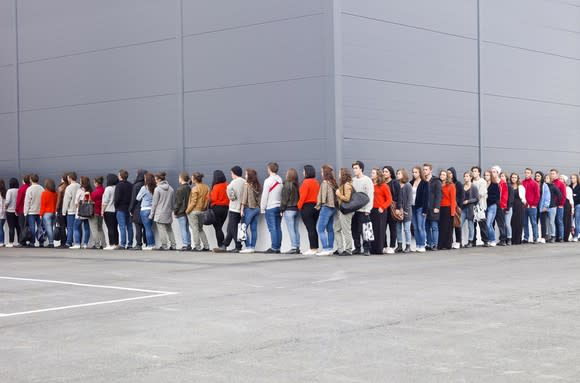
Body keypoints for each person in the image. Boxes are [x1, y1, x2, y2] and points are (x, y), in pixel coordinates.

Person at [351, 161, 374, 256]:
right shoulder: (352, 180)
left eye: (356, 168)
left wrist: (368, 209)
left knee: (366, 230)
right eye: (353, 168)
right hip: (354, 210)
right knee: (354, 229)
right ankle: (357, 248)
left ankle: (367, 249)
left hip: (364, 210)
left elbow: (370, 196)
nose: (354, 170)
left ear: (361, 169)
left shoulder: (367, 180)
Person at [221, 166, 245, 253]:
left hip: (234, 208)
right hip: (242, 208)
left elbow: (232, 197)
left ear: (234, 173)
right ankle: (225, 244)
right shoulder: (245, 182)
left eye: (231, 173)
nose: (231, 175)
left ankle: (238, 246)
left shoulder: (232, 183)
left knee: (233, 227)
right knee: (231, 227)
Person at [315, 165, 338, 256]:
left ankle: (325, 249)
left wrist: (319, 204)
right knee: (330, 229)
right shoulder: (333, 182)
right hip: (333, 208)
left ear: (325, 173)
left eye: (321, 172)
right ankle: (330, 248)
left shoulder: (325, 183)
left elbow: (323, 197)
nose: (321, 174)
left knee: (320, 229)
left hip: (326, 207)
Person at [149, 172, 176, 250]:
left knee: (161, 230)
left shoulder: (157, 189)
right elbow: (172, 202)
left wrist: (151, 214)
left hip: (159, 213)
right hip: (168, 213)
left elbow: (154, 203)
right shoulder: (171, 189)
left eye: (156, 180)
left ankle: (164, 246)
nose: (155, 181)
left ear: (159, 180)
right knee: (169, 229)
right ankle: (173, 245)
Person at [261, 162, 283, 254]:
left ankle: (274, 247)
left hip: (270, 207)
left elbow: (265, 196)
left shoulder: (268, 181)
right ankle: (278, 247)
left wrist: (262, 208)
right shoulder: (280, 180)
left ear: (269, 169)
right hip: (279, 206)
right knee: (278, 227)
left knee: (272, 228)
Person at [298, 165, 320, 255]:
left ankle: (313, 248)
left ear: (307, 172)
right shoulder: (316, 182)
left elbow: (303, 196)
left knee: (310, 228)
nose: (303, 173)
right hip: (316, 207)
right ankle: (315, 248)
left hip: (307, 207)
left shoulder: (305, 182)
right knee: (313, 228)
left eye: (304, 171)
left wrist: (299, 206)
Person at [186, 172, 210, 252]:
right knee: (200, 229)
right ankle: (206, 246)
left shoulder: (195, 188)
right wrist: (204, 208)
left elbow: (193, 202)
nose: (191, 179)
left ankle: (197, 246)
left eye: (192, 178)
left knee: (195, 229)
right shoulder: (206, 187)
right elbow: (207, 199)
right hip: (202, 211)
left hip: (194, 211)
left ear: (195, 179)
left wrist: (187, 211)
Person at [371, 168, 392, 254]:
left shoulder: (384, 185)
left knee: (380, 230)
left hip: (380, 211)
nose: (371, 174)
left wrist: (382, 207)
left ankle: (379, 249)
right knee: (372, 230)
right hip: (371, 210)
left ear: (377, 175)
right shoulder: (370, 185)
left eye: (373, 173)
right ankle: (372, 249)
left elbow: (389, 199)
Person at [240, 169, 261, 253]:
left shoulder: (247, 185)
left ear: (249, 176)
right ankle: (252, 247)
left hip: (249, 209)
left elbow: (244, 198)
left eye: (246, 174)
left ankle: (248, 247)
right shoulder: (257, 185)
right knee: (254, 229)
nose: (245, 176)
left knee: (243, 228)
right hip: (256, 209)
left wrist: (241, 209)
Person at [280, 168, 301, 254]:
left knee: (291, 229)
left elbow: (284, 199)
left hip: (289, 210)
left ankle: (293, 247)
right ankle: (297, 247)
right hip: (297, 209)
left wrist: (281, 209)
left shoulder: (287, 185)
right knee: (296, 229)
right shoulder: (297, 185)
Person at [335, 168, 354, 256]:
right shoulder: (343, 185)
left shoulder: (347, 185)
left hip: (346, 211)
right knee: (337, 229)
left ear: (343, 175)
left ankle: (348, 250)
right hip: (342, 210)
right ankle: (340, 249)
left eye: (339, 173)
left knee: (346, 230)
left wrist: (338, 194)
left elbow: (347, 198)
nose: (338, 175)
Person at [209, 170, 229, 252]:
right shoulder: (227, 185)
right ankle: (223, 245)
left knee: (218, 228)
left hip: (216, 208)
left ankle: (221, 245)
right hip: (225, 209)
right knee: (219, 227)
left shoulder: (216, 186)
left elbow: (212, 198)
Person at [114, 169, 133, 249]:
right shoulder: (131, 185)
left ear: (120, 176)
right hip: (129, 209)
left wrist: (116, 206)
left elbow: (117, 198)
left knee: (122, 226)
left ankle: (122, 244)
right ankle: (130, 244)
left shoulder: (119, 185)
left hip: (120, 208)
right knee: (129, 227)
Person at [424, 163, 441, 251]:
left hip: (434, 207)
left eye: (426, 169)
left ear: (431, 170)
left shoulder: (436, 181)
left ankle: (435, 244)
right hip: (425, 208)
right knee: (426, 227)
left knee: (434, 227)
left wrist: (437, 207)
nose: (424, 171)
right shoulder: (423, 181)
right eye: (424, 169)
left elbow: (439, 195)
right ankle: (429, 244)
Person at [411, 166, 429, 253]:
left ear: (420, 173)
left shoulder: (425, 183)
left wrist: (425, 210)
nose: (414, 174)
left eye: (416, 172)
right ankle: (418, 244)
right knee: (415, 227)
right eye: (413, 172)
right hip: (412, 207)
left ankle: (422, 245)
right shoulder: (411, 182)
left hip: (420, 207)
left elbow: (426, 198)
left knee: (420, 227)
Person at [71, 176, 92, 249]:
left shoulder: (80, 190)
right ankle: (85, 244)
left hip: (80, 213)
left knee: (76, 227)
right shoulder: (90, 190)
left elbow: (76, 202)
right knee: (87, 228)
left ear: (82, 182)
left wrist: (78, 209)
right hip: (88, 213)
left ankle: (77, 244)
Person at [137, 172, 156, 250]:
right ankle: (153, 244)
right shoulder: (155, 187)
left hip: (145, 210)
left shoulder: (144, 188)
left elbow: (138, 198)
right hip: (152, 209)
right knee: (150, 228)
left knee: (147, 228)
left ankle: (150, 245)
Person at [438, 170, 456, 250]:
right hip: (439, 208)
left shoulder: (451, 185)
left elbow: (453, 199)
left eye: (444, 174)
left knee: (447, 227)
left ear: (447, 176)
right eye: (441, 174)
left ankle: (447, 244)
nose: (442, 176)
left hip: (447, 208)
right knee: (441, 227)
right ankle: (440, 244)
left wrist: (452, 212)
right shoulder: (439, 184)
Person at [383, 166, 400, 253]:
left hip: (393, 208)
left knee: (393, 228)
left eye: (386, 171)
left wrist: (398, 208)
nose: (384, 173)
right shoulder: (382, 182)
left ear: (390, 173)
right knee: (383, 228)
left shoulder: (395, 182)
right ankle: (385, 246)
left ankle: (392, 246)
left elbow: (399, 196)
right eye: (383, 171)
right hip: (384, 209)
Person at [24, 174, 44, 247]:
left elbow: (27, 202)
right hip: (39, 211)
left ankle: (32, 242)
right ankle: (41, 242)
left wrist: (25, 212)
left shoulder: (29, 189)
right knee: (40, 227)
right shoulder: (42, 188)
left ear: (31, 180)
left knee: (32, 227)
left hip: (31, 212)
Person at [129, 169, 147, 251]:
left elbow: (134, 199)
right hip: (146, 209)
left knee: (138, 227)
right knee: (146, 227)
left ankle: (138, 244)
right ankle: (147, 243)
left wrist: (130, 209)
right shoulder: (148, 185)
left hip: (137, 209)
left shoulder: (136, 185)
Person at [395, 168, 412, 253]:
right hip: (398, 211)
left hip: (406, 211)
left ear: (403, 175)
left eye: (399, 173)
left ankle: (408, 246)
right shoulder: (396, 185)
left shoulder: (408, 185)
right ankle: (399, 245)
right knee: (398, 229)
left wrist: (405, 210)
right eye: (397, 173)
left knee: (406, 229)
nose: (397, 175)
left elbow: (409, 200)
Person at [174, 172, 192, 251]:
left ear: (181, 179)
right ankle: (188, 244)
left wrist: (175, 211)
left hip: (181, 212)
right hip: (188, 211)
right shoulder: (189, 188)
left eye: (179, 178)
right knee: (187, 228)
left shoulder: (180, 189)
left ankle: (185, 244)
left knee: (183, 229)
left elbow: (178, 202)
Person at [522, 168, 540, 243]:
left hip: (532, 207)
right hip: (524, 206)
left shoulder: (534, 183)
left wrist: (534, 204)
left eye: (528, 173)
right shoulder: (522, 183)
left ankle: (535, 238)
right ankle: (526, 238)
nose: (526, 174)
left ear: (531, 174)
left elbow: (537, 195)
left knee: (533, 223)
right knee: (525, 223)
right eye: (525, 172)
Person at [491, 166, 508, 246]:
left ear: (498, 173)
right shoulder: (490, 182)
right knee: (491, 222)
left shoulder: (502, 183)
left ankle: (503, 239)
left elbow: (505, 195)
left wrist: (503, 205)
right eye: (492, 171)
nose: (492, 173)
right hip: (491, 204)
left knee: (501, 223)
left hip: (499, 205)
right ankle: (492, 239)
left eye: (494, 172)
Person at [461, 172, 478, 248]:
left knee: (470, 226)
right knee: (459, 225)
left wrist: (468, 201)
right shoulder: (462, 186)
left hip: (470, 209)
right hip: (463, 209)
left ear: (470, 177)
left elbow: (477, 198)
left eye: (467, 176)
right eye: (464, 176)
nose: (465, 178)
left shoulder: (474, 187)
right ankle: (459, 241)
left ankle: (470, 241)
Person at [471, 166, 488, 246]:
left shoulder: (482, 181)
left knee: (482, 224)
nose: (474, 172)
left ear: (478, 173)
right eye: (473, 171)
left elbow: (481, 193)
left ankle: (485, 241)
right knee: (472, 224)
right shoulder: (471, 181)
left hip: (480, 206)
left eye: (475, 171)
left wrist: (473, 196)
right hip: (472, 206)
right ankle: (473, 241)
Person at [102, 174, 119, 250]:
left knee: (110, 228)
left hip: (108, 210)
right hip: (115, 210)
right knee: (115, 228)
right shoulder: (117, 187)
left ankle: (111, 244)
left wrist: (102, 211)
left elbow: (105, 201)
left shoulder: (108, 189)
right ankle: (116, 243)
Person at [40, 179, 58, 248]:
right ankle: (51, 242)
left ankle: (51, 242)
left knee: (48, 228)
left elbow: (43, 205)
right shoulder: (55, 194)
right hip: (53, 212)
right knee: (52, 228)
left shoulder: (44, 193)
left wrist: (41, 214)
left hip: (46, 213)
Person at [509, 173, 527, 245]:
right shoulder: (509, 186)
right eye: (512, 177)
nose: (513, 179)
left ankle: (518, 240)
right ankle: (512, 239)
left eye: (515, 177)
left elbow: (523, 197)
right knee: (512, 222)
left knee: (519, 223)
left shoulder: (521, 187)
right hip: (511, 206)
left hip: (519, 206)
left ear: (517, 178)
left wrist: (524, 203)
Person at [448, 167, 463, 249]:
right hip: (448, 207)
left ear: (453, 174)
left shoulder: (458, 184)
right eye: (448, 173)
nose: (449, 174)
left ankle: (458, 241)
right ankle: (450, 241)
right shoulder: (446, 184)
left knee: (457, 224)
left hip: (456, 207)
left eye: (450, 173)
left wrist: (460, 206)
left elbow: (461, 196)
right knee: (449, 225)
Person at [89, 176, 106, 250]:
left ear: (96, 183)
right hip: (101, 212)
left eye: (94, 182)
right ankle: (103, 244)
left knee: (94, 229)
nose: (93, 184)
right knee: (100, 228)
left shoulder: (95, 192)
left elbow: (91, 201)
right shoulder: (104, 190)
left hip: (94, 212)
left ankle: (97, 244)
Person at [550, 169, 566, 242]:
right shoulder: (550, 183)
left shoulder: (561, 183)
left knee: (559, 221)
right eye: (551, 174)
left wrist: (561, 204)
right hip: (552, 206)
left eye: (553, 173)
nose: (552, 175)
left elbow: (563, 195)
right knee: (553, 221)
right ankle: (555, 236)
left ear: (557, 174)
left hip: (559, 206)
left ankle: (561, 237)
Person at [485, 170, 500, 247]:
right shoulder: (484, 184)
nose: (486, 177)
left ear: (491, 176)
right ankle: (489, 240)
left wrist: (487, 197)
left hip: (492, 206)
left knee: (488, 224)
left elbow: (497, 197)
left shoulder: (495, 185)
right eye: (485, 175)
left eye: (487, 175)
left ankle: (493, 240)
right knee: (488, 225)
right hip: (485, 206)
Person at [544, 174, 560, 243]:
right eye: (545, 178)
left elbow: (560, 195)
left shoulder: (553, 187)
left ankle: (553, 236)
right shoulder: (544, 187)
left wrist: (555, 203)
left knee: (551, 222)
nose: (546, 179)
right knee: (546, 222)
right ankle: (548, 236)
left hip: (552, 207)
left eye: (547, 178)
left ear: (550, 179)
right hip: (545, 207)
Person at [16, 175, 31, 247]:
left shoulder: (21, 189)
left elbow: (18, 201)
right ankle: (30, 241)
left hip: (22, 210)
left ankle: (22, 241)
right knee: (29, 226)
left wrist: (16, 209)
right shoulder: (30, 188)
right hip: (30, 211)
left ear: (24, 181)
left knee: (22, 226)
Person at [5, 178, 20, 247]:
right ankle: (19, 242)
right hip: (18, 211)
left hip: (10, 211)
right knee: (18, 227)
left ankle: (11, 242)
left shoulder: (9, 191)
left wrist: (5, 207)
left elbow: (7, 201)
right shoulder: (19, 190)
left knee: (11, 227)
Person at [535, 171, 550, 243]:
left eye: (539, 176)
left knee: (542, 223)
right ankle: (536, 237)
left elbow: (547, 196)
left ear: (541, 177)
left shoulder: (545, 185)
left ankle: (543, 237)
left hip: (542, 207)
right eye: (536, 176)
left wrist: (546, 206)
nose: (537, 177)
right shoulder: (534, 184)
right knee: (535, 222)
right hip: (534, 206)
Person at [55, 174, 69, 248]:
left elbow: (59, 200)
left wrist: (56, 209)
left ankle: (63, 242)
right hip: (68, 209)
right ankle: (69, 241)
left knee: (62, 226)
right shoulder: (68, 186)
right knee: (68, 226)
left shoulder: (61, 187)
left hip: (61, 208)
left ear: (63, 179)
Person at [500, 172, 514, 246]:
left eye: (503, 176)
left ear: (506, 178)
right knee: (502, 224)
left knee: (507, 224)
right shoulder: (500, 185)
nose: (502, 177)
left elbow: (511, 198)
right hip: (501, 208)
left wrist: (507, 208)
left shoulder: (509, 186)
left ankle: (509, 238)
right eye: (501, 176)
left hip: (508, 208)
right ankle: (503, 239)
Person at [561, 175, 574, 242]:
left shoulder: (568, 188)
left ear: (564, 181)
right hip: (560, 204)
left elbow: (571, 200)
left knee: (566, 221)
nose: (560, 180)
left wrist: (572, 209)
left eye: (561, 179)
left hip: (566, 204)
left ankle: (566, 236)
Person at [571, 173, 580, 241]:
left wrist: (574, 196)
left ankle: (576, 236)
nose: (572, 179)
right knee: (570, 221)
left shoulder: (579, 186)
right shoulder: (569, 186)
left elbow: (578, 197)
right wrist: (574, 195)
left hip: (578, 205)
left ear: (577, 179)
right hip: (571, 206)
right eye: (571, 178)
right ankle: (572, 235)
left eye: (574, 178)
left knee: (577, 221)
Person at [0, 179, 6, 247]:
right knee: (1, 228)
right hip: (4, 214)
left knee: (0, 228)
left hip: (0, 214)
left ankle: (1, 241)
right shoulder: (5, 193)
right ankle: (2, 241)